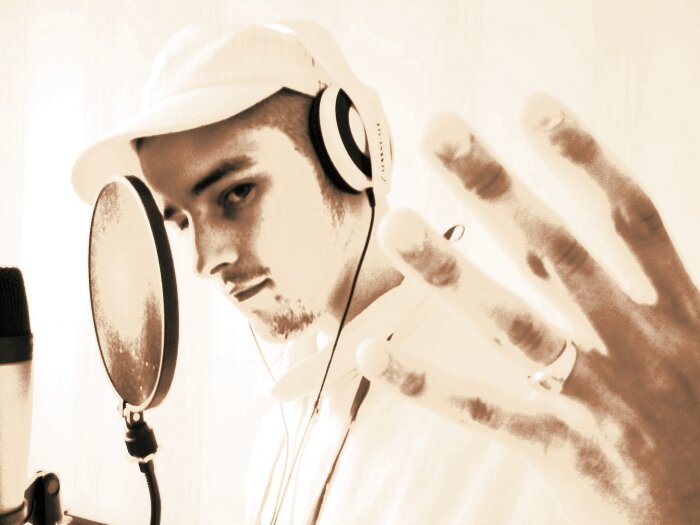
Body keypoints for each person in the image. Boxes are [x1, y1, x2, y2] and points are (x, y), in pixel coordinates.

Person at [72, 22, 700, 524]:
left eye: (235, 193)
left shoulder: (546, 404)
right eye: (182, 220)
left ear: (350, 152)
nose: (204, 260)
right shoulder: (280, 430)